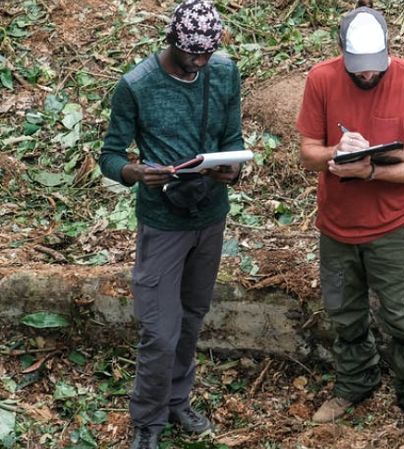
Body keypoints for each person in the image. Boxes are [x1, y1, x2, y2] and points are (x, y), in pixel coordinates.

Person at [97, 1, 245, 447]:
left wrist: (232, 170)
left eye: (207, 54)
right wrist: (136, 173)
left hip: (210, 214)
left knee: (192, 316)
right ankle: (147, 421)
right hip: (162, 221)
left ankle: (178, 400)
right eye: (191, 55)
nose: (199, 63)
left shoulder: (223, 73)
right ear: (171, 43)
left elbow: (232, 138)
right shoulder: (137, 86)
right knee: (160, 330)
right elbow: (110, 156)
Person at [295, 0, 404, 444]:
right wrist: (337, 155)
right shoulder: (321, 80)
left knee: (402, 318)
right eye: (358, 68)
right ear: (342, 52)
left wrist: (373, 171)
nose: (366, 75)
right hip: (337, 227)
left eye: (373, 67)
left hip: (392, 227)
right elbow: (307, 153)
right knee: (345, 314)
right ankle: (354, 383)